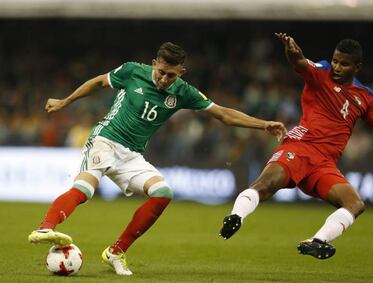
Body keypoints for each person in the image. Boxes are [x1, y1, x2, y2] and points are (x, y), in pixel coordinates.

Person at [28, 42, 287, 276]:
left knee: (163, 193)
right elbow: (98, 82)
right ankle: (45, 227)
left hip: (132, 155)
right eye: (161, 71)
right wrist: (66, 101)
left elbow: (224, 114)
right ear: (154, 64)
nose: (164, 79)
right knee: (85, 188)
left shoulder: (184, 92)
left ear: (181, 73)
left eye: (171, 75)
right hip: (106, 139)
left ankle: (116, 252)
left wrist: (263, 124)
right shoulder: (132, 71)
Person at [219, 33, 373, 260]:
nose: (337, 67)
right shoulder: (320, 73)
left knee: (355, 204)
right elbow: (299, 62)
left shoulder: (366, 98)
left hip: (324, 165)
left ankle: (317, 241)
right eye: (335, 61)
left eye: (344, 63)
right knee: (266, 184)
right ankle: (236, 217)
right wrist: (292, 49)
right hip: (300, 147)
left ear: (357, 67)